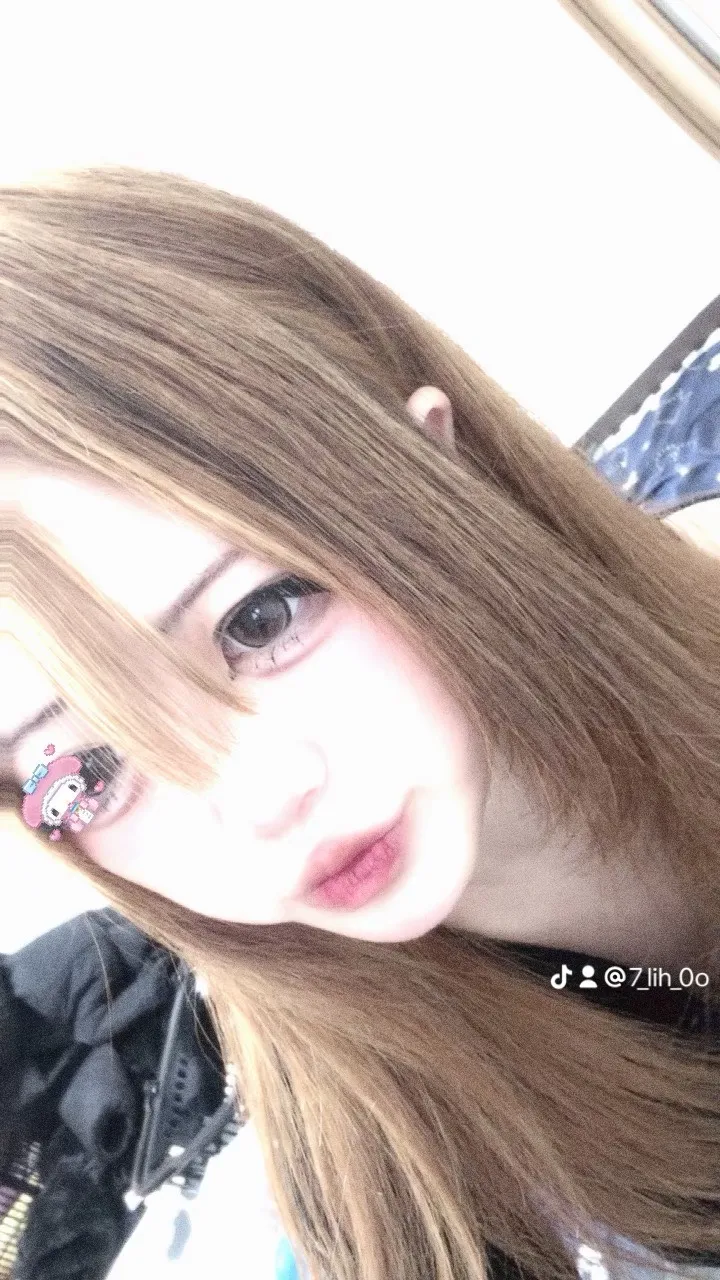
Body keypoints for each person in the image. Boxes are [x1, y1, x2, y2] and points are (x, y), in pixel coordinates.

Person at [2, 167, 720, 1280]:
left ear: (435, 467)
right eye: (85, 771)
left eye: (260, 617)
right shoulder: (396, 1181)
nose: (253, 803)